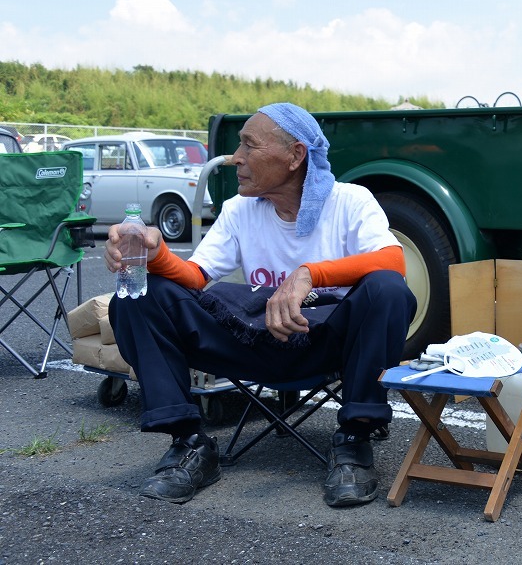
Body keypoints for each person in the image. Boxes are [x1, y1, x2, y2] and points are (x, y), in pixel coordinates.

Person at [107, 103, 415, 508]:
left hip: (327, 344)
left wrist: (309, 273)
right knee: (141, 293)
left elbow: (394, 261)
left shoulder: (349, 201)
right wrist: (154, 254)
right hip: (252, 341)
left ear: (295, 156)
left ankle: (356, 441)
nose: (236, 158)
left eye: (249, 146)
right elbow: (197, 277)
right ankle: (189, 445)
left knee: (388, 289)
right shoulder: (239, 209)